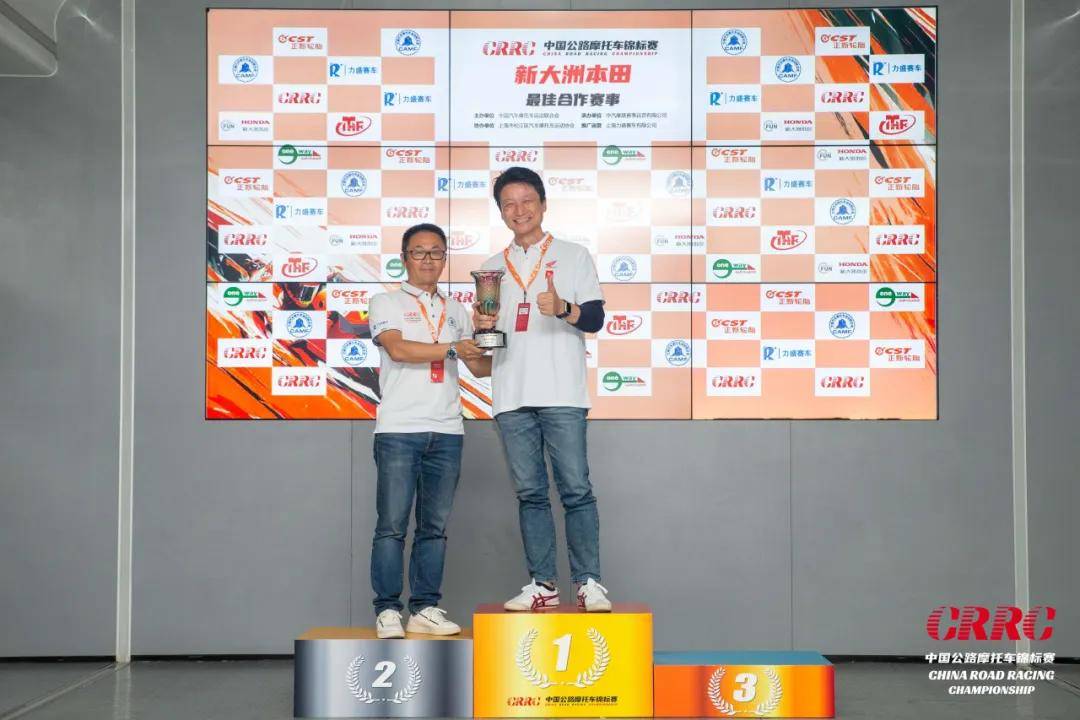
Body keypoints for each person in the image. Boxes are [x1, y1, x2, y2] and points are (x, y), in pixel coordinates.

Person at [473, 166, 612, 612]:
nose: (519, 211)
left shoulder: (573, 255)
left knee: (575, 490)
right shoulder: (491, 269)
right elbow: (488, 343)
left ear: (544, 204)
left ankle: (588, 583)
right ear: (501, 212)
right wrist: (482, 327)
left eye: (527, 201)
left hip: (562, 393)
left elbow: (595, 318)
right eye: (508, 204)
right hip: (511, 394)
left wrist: (565, 307)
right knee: (530, 494)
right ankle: (543, 584)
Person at [367, 223, 491, 638]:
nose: (427, 260)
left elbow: (480, 368)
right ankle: (387, 610)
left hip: (447, 430)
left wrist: (488, 334)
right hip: (399, 429)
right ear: (404, 258)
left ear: (444, 259)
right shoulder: (385, 302)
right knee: (392, 526)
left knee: (434, 529)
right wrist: (453, 347)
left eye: (436, 252)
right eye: (418, 252)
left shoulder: (457, 310)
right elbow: (399, 349)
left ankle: (424, 608)